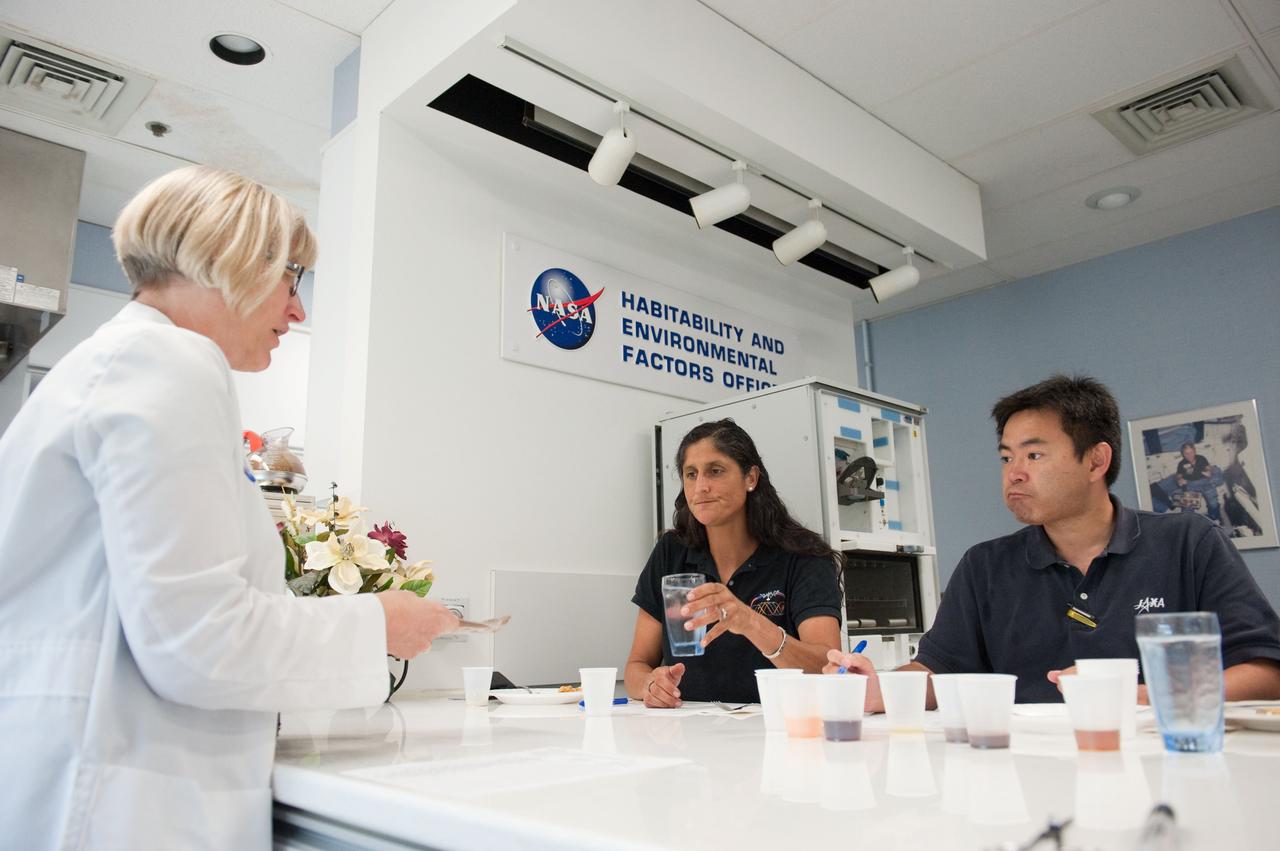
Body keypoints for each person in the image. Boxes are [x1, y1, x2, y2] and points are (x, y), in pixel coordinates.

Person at [0, 166, 460, 850]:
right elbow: (197, 639)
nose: (298, 310)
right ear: (231, 259)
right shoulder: (166, 363)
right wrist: (376, 623)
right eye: (291, 277)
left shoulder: (118, 362)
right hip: (111, 804)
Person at [826, 375, 1280, 707]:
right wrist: (875, 688)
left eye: (1034, 454)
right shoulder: (985, 566)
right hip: (1026, 778)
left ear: (1096, 460)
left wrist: (1137, 697)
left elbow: (1264, 672)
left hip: (1170, 767)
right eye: (1007, 456)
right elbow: (939, 673)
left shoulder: (1188, 542)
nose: (1014, 472)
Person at [625, 419, 842, 706]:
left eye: (715, 471)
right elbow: (636, 667)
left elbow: (830, 670)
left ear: (750, 478)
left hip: (779, 730)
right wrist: (651, 685)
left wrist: (751, 622)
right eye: (691, 474)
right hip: (689, 734)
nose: (700, 487)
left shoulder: (804, 557)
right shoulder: (671, 552)